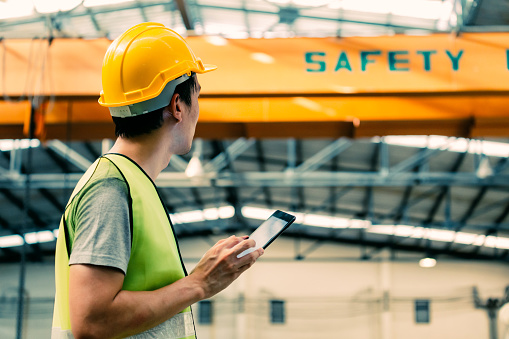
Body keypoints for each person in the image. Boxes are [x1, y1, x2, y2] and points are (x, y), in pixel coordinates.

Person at [52, 22, 263, 339]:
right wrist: (199, 283)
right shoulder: (111, 188)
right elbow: (92, 321)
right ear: (177, 105)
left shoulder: (131, 184)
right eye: (197, 97)